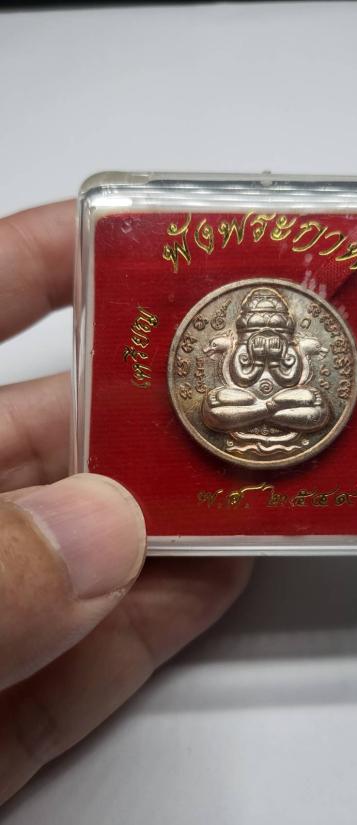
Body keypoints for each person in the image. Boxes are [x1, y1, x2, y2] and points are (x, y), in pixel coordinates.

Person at [0, 201, 253, 804]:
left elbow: (310, 398)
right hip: (238, 412)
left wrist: (274, 400)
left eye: (276, 327)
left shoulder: (287, 353)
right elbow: (218, 397)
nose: (268, 337)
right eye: (259, 326)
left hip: (275, 413)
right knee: (220, 408)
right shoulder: (237, 349)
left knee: (309, 405)